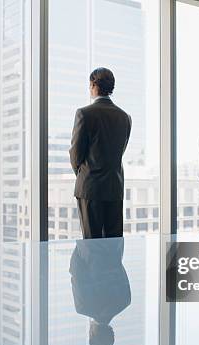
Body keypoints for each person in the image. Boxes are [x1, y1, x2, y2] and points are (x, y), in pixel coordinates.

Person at [69, 68, 132, 239]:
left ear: (93, 85)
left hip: (90, 188)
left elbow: (76, 154)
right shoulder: (125, 117)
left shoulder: (84, 113)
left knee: (92, 243)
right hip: (114, 186)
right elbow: (120, 150)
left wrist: (84, 174)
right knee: (113, 242)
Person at [69, 238, 131, 345]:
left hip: (114, 243)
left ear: (111, 332)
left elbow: (120, 269)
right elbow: (76, 271)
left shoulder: (125, 301)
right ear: (92, 333)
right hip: (89, 245)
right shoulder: (83, 307)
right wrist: (80, 246)